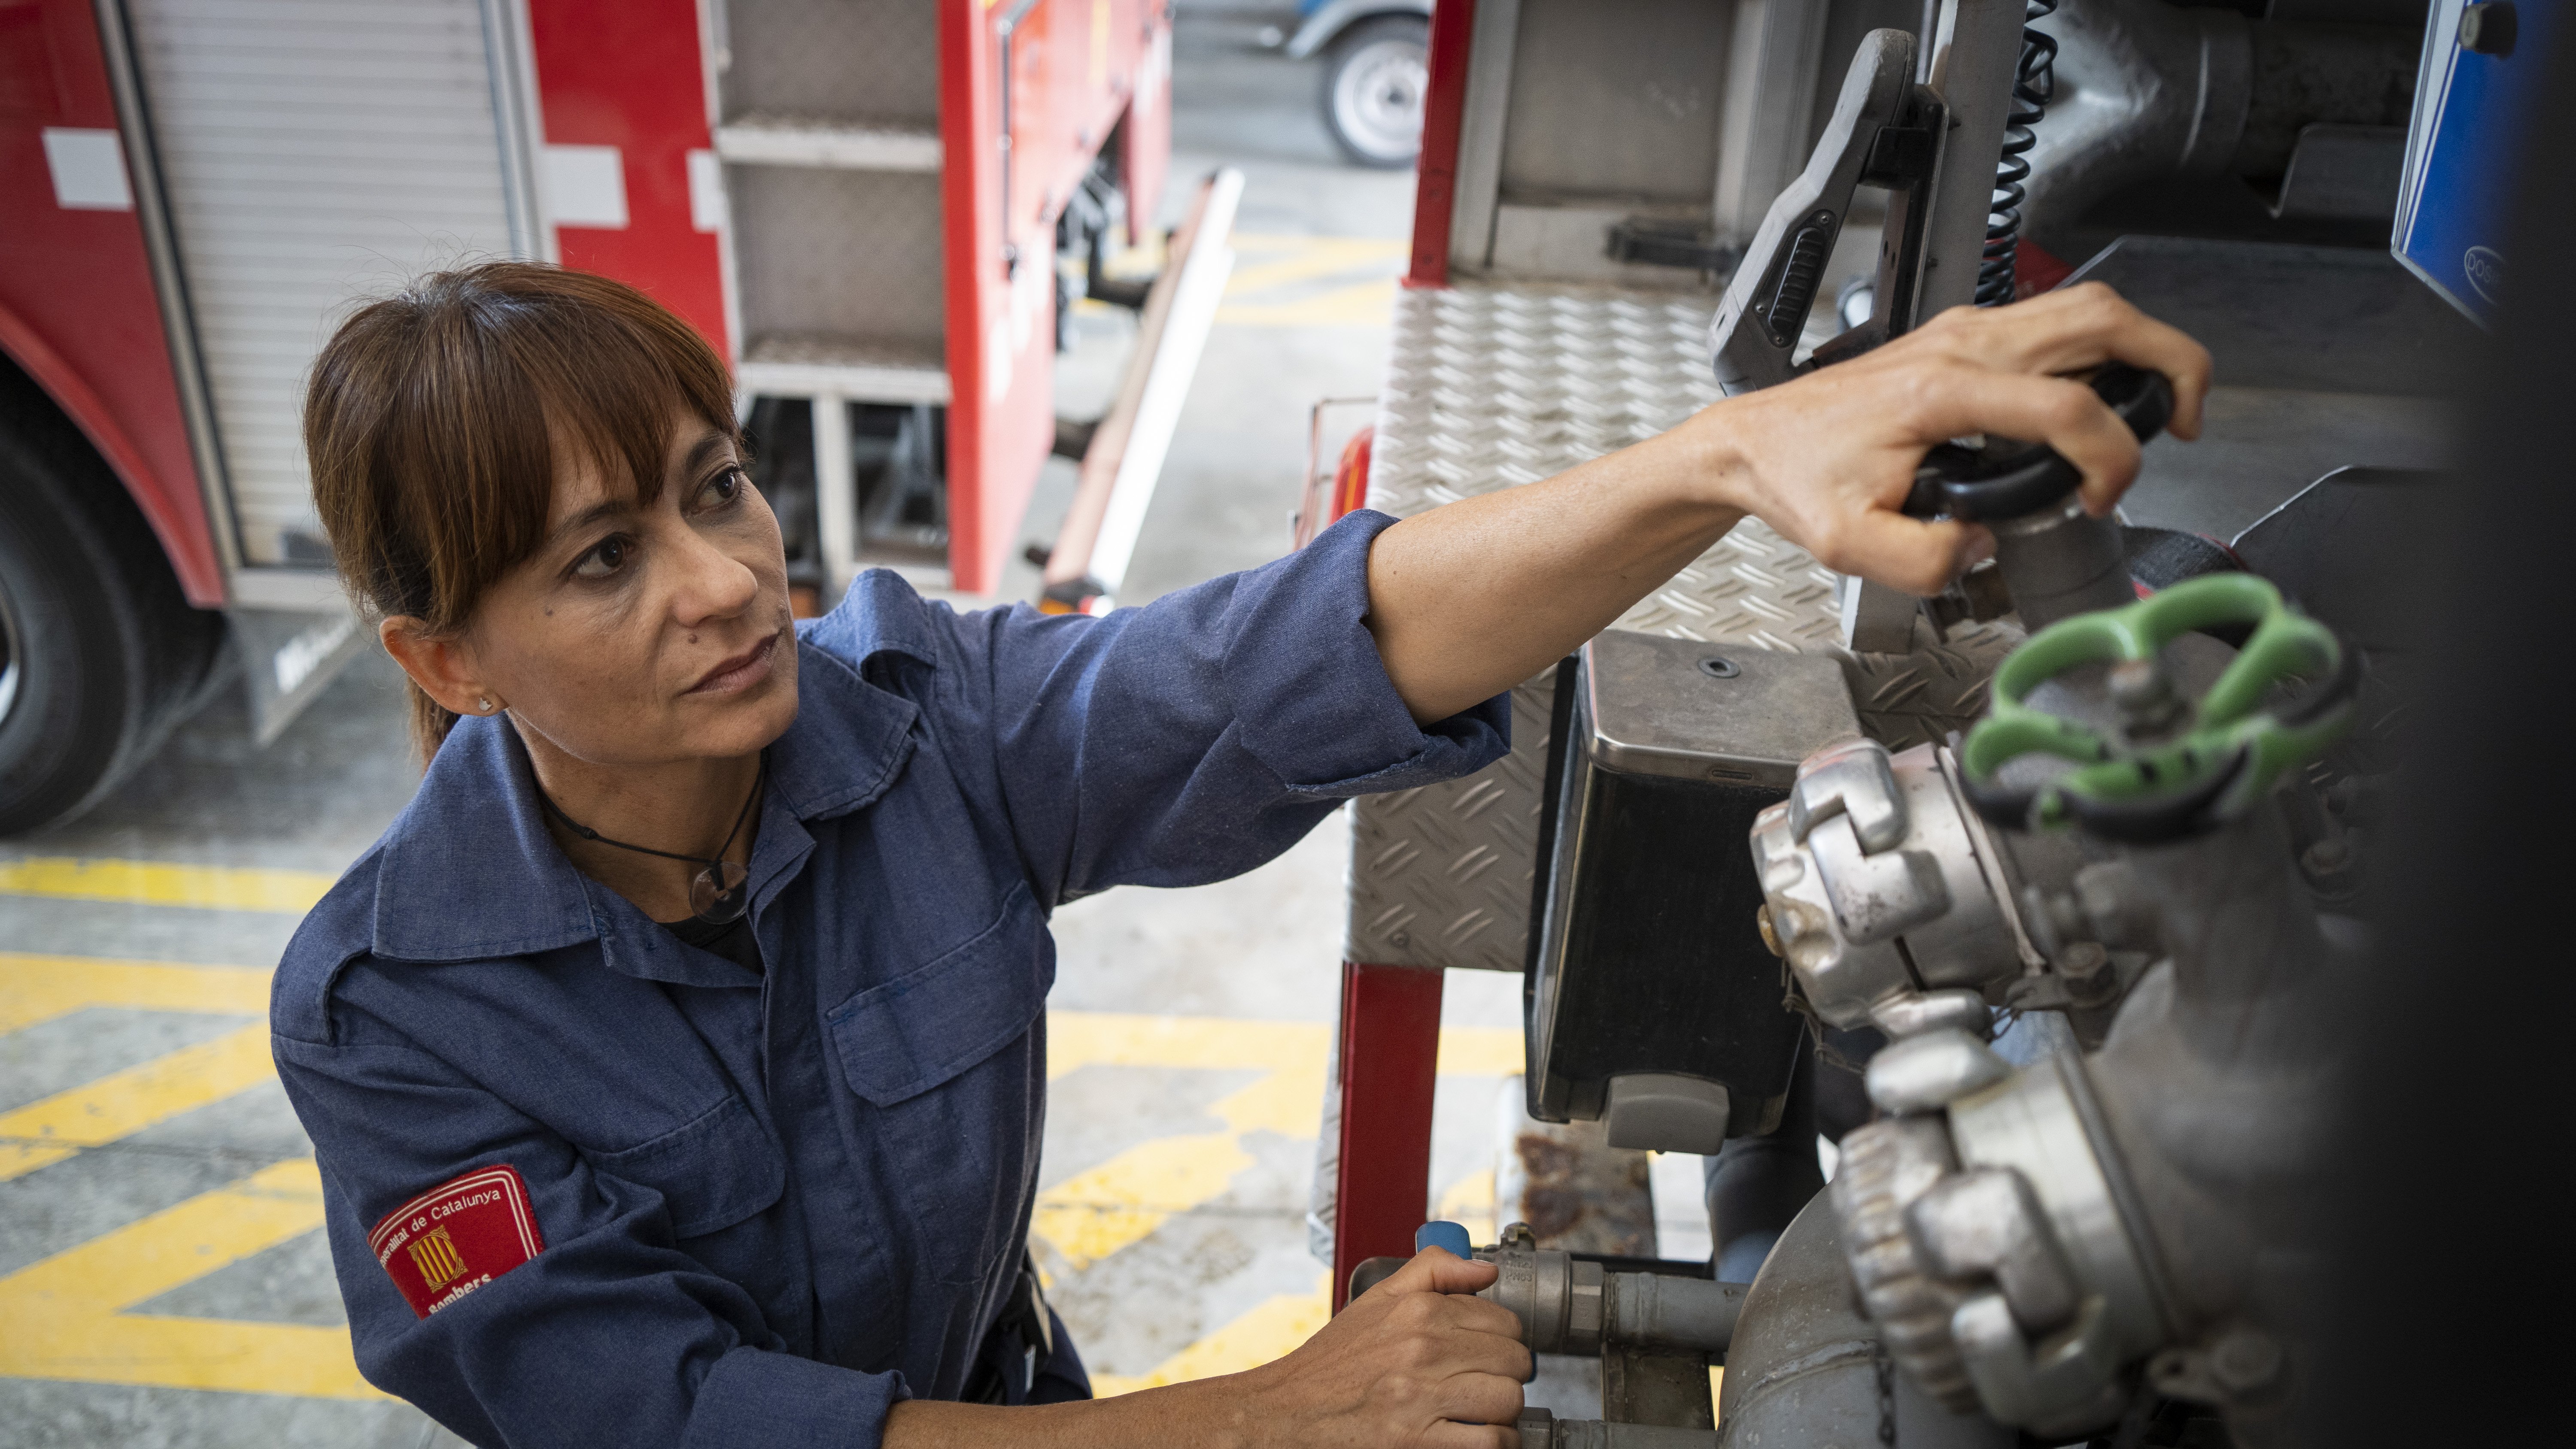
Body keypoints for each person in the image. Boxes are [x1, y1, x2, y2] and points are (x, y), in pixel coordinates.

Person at [272, 261, 2208, 1449]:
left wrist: (1728, 454)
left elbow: (1272, 665)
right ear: (447, 657)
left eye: (720, 489)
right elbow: (674, 1422)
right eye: (606, 559)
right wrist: (1264, 1422)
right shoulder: (394, 1017)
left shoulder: (904, 720)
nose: (729, 584)